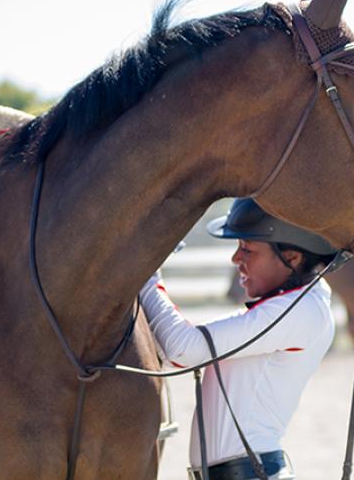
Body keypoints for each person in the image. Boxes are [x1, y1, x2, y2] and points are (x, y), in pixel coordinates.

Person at [138, 198, 338, 480]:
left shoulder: (298, 311)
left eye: (247, 249)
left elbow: (183, 349)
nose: (236, 259)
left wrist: (146, 273)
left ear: (292, 257)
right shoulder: (297, 303)